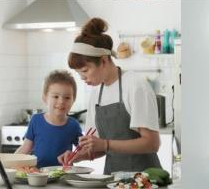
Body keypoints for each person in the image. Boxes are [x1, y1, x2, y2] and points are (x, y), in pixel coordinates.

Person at [60, 18, 161, 174]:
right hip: (112, 179)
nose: (83, 78)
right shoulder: (96, 94)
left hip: (144, 179)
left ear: (104, 60)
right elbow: (99, 147)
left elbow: (152, 143)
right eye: (79, 73)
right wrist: (78, 156)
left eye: (85, 71)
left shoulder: (135, 85)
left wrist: (106, 144)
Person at [15, 70, 83, 168]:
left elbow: (81, 151)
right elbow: (26, 147)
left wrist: (75, 154)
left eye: (67, 98)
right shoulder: (36, 120)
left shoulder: (74, 125)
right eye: (56, 96)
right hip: (38, 174)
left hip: (64, 175)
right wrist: (9, 164)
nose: (61, 101)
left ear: (73, 101)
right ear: (45, 98)